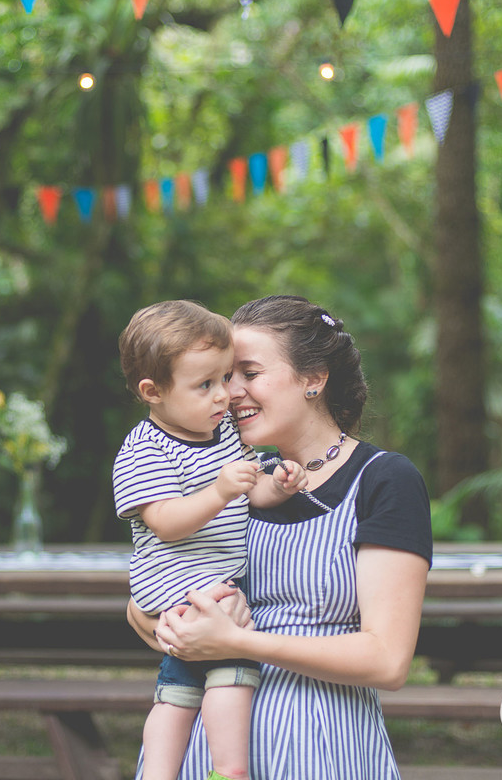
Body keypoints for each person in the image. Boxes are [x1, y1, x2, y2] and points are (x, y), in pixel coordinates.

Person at [127, 294, 433, 780]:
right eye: (225, 377)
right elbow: (159, 582)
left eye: (249, 374)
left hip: (321, 746)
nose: (230, 393)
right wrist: (159, 623)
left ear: (313, 379)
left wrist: (239, 640)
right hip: (200, 751)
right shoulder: (236, 482)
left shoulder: (382, 480)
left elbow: (388, 660)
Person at [114, 300, 308, 780]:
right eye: (205, 385)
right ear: (152, 391)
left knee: (199, 686)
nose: (224, 395)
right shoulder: (144, 450)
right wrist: (219, 488)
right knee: (211, 681)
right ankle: (204, 770)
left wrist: (276, 487)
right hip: (177, 589)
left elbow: (247, 495)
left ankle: (213, 770)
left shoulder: (221, 433)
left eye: (225, 379)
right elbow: (165, 522)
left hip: (212, 588)